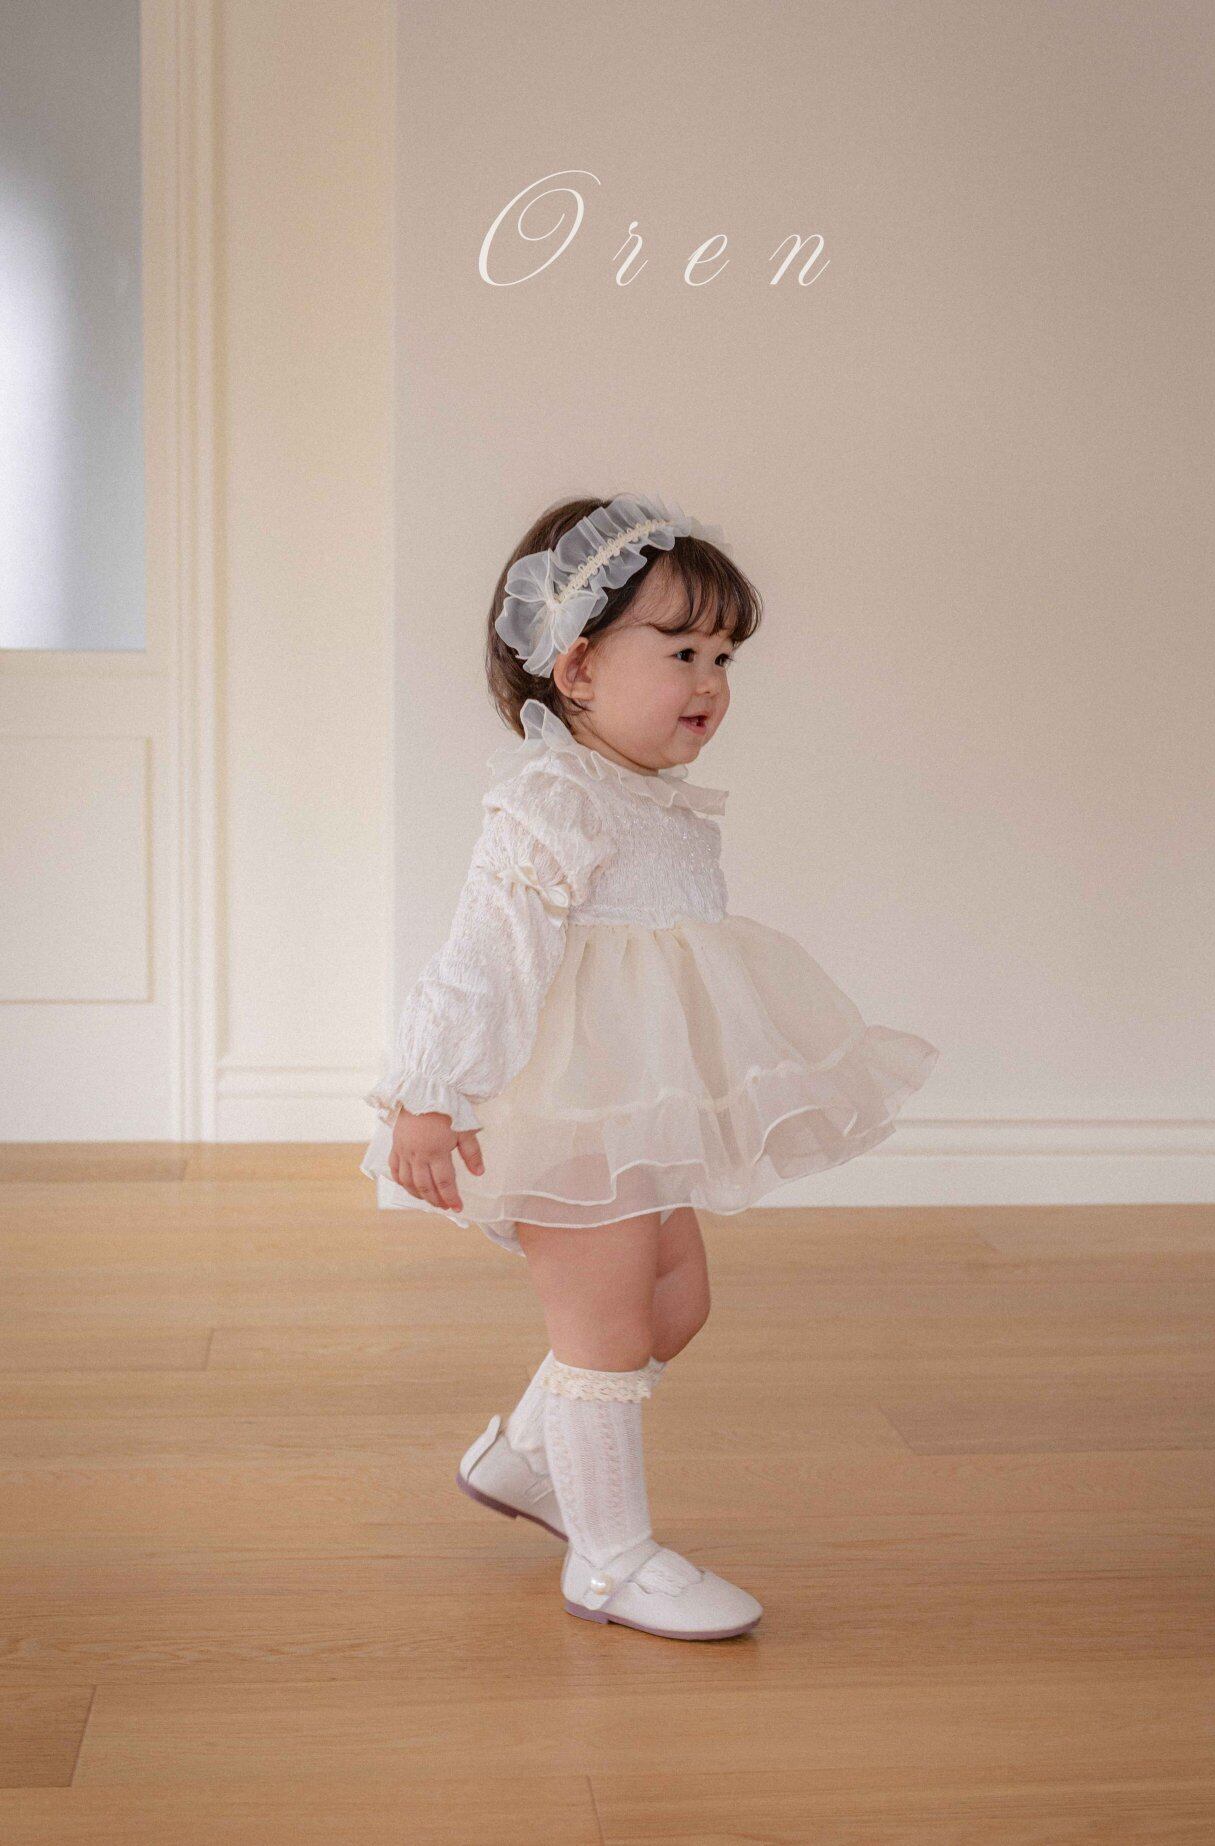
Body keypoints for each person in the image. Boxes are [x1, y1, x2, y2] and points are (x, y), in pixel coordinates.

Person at [360, 493, 939, 1640]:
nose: (709, 681)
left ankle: (527, 1458)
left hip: (637, 1102)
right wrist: (428, 1094)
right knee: (607, 1327)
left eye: (723, 657)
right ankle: (609, 1558)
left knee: (677, 1301)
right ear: (576, 667)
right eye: (680, 651)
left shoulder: (648, 797)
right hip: (563, 1108)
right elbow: (483, 955)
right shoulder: (551, 796)